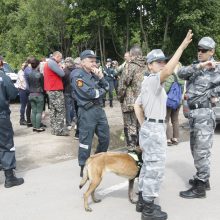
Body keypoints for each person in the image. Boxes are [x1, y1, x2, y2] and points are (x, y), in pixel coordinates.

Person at [134, 30, 193, 220]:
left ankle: (143, 201)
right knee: (155, 168)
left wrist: (144, 125)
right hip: (155, 128)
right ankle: (149, 210)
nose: (162, 64)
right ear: (150, 66)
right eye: (158, 62)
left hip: (151, 127)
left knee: (147, 166)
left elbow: (137, 105)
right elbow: (168, 71)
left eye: (163, 61)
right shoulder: (153, 80)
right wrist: (182, 47)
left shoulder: (148, 82)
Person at [177, 36, 220, 199]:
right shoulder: (197, 66)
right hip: (194, 115)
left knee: (201, 151)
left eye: (204, 50)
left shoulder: (217, 69)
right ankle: (203, 178)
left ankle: (200, 187)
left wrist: (211, 93)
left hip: (204, 114)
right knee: (195, 149)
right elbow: (180, 73)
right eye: (198, 50)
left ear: (212, 52)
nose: (200, 53)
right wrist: (200, 66)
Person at [71, 50, 110, 177]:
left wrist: (101, 77)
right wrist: (102, 90)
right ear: (82, 62)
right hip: (87, 111)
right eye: (91, 61)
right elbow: (90, 93)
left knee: (105, 138)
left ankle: (97, 161)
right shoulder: (77, 75)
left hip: (99, 110)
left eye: (95, 61)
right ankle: (83, 166)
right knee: (85, 141)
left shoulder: (95, 74)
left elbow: (108, 87)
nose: (94, 63)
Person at [0, 56, 24, 188]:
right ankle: (9, 177)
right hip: (1, 116)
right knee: (6, 144)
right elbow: (13, 93)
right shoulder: (2, 76)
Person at [118, 45, 146, 151]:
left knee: (130, 126)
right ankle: (141, 149)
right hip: (144, 102)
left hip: (130, 102)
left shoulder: (130, 66)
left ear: (132, 55)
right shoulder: (148, 65)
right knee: (141, 125)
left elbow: (122, 85)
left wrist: (120, 97)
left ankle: (132, 151)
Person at [44, 51, 69, 136]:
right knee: (60, 110)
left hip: (51, 89)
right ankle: (60, 130)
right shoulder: (52, 63)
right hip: (55, 89)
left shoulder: (48, 63)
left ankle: (55, 130)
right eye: (60, 58)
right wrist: (61, 67)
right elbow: (62, 74)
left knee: (53, 110)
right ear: (57, 56)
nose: (61, 60)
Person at [165, 62, 185, 146]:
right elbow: (183, 90)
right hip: (178, 101)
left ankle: (168, 139)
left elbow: (166, 89)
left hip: (169, 101)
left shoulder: (170, 76)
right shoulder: (182, 78)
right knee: (175, 120)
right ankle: (175, 138)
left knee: (166, 120)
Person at [26, 58, 45, 132]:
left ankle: (34, 127)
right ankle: (38, 127)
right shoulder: (40, 74)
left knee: (33, 111)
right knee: (39, 112)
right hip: (38, 94)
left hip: (31, 94)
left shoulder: (29, 74)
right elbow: (43, 86)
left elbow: (29, 84)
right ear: (38, 65)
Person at [63, 57, 76, 130]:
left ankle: (69, 124)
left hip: (68, 91)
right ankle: (73, 123)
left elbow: (63, 82)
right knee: (73, 108)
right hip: (72, 91)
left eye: (66, 62)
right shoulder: (76, 70)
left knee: (70, 108)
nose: (66, 63)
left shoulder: (64, 71)